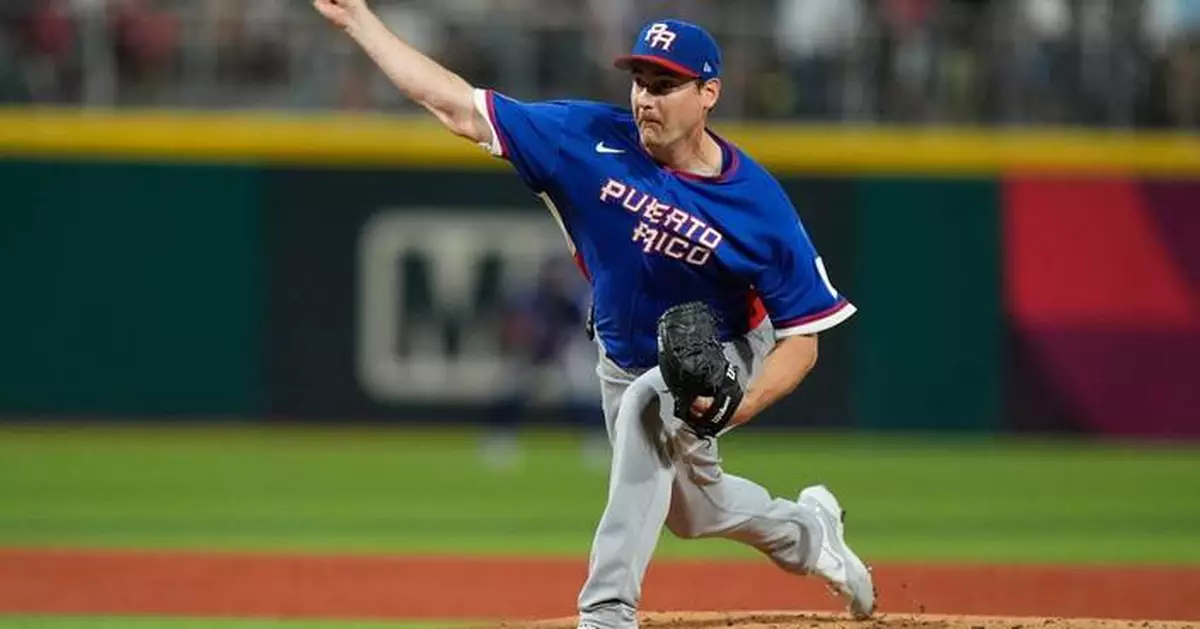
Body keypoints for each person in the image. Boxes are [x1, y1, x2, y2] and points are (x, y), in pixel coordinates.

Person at [311, 2, 875, 627]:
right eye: (640, 82)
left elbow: (803, 339)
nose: (646, 99)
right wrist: (360, 20)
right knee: (694, 512)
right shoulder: (582, 140)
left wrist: (737, 403)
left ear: (708, 94)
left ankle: (607, 609)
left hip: (725, 350)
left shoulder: (758, 205)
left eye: (665, 85)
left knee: (651, 406)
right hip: (621, 354)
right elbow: (455, 105)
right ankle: (811, 533)